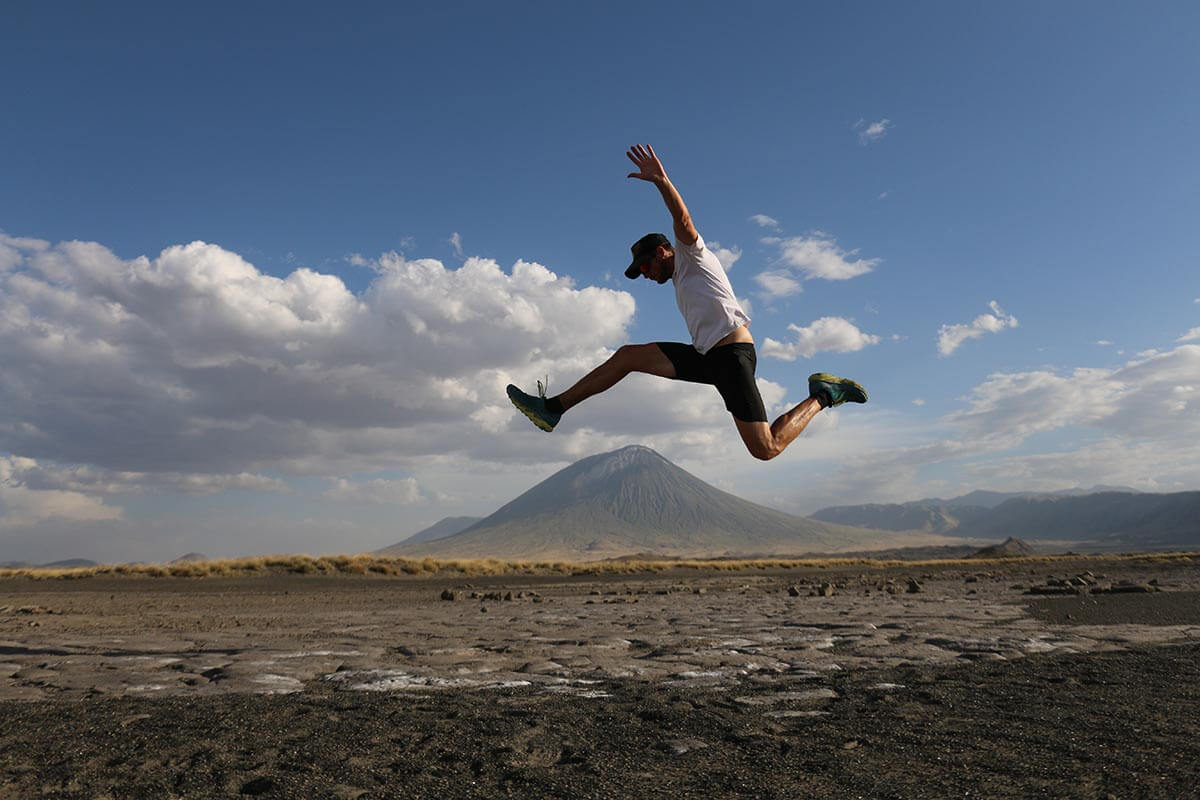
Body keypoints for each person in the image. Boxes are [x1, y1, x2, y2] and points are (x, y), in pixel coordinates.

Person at [506, 144, 867, 461]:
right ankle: (553, 409)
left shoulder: (693, 256)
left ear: (664, 251)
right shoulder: (680, 279)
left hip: (731, 356)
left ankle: (823, 395)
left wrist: (662, 182)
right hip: (707, 357)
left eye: (646, 265)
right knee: (628, 356)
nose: (645, 274)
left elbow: (683, 219)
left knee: (765, 448)